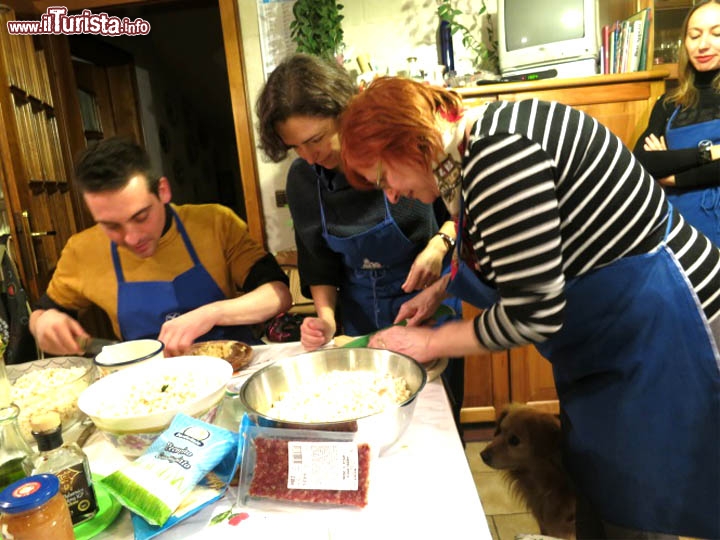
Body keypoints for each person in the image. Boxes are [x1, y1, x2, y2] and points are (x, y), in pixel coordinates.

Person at [339, 76, 720, 540]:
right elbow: (512, 249)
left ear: (407, 142)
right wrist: (440, 290)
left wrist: (429, 341)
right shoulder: (472, 150)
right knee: (603, 490)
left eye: (384, 176)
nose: (391, 194)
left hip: (662, 329)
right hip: (610, 339)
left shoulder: (502, 154)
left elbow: (533, 313)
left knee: (642, 501)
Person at [255, 53, 458, 351]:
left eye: (315, 139)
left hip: (427, 303)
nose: (310, 156)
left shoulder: (392, 148)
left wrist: (439, 245)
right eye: (295, 147)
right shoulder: (303, 179)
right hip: (360, 315)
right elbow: (318, 263)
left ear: (344, 112)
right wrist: (326, 320)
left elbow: (460, 216)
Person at [29, 137, 292, 357]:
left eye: (140, 217)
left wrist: (212, 313)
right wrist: (41, 322)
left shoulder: (214, 222)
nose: (131, 238)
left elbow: (278, 294)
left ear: (163, 191)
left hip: (231, 368)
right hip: (147, 388)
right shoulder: (82, 250)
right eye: (111, 226)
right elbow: (42, 313)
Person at [634, 0, 720, 245]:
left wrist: (673, 177)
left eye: (717, 34)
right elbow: (644, 161)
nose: (703, 45)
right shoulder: (668, 102)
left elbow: (661, 168)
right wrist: (712, 152)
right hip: (679, 228)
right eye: (694, 35)